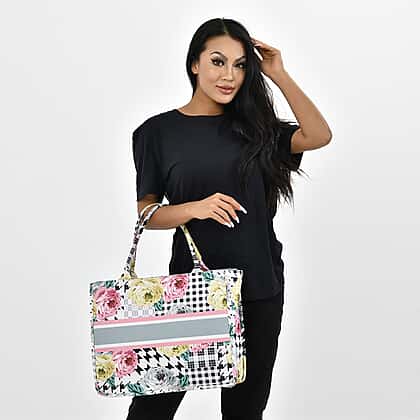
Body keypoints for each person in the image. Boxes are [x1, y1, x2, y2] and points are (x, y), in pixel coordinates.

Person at [125, 17, 332, 420]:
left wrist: (278, 74)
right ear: (194, 64)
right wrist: (194, 208)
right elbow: (147, 213)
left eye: (240, 65)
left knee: (244, 412)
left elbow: (319, 135)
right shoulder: (157, 132)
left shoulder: (259, 131)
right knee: (150, 410)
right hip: (190, 292)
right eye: (218, 62)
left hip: (259, 288)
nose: (229, 75)